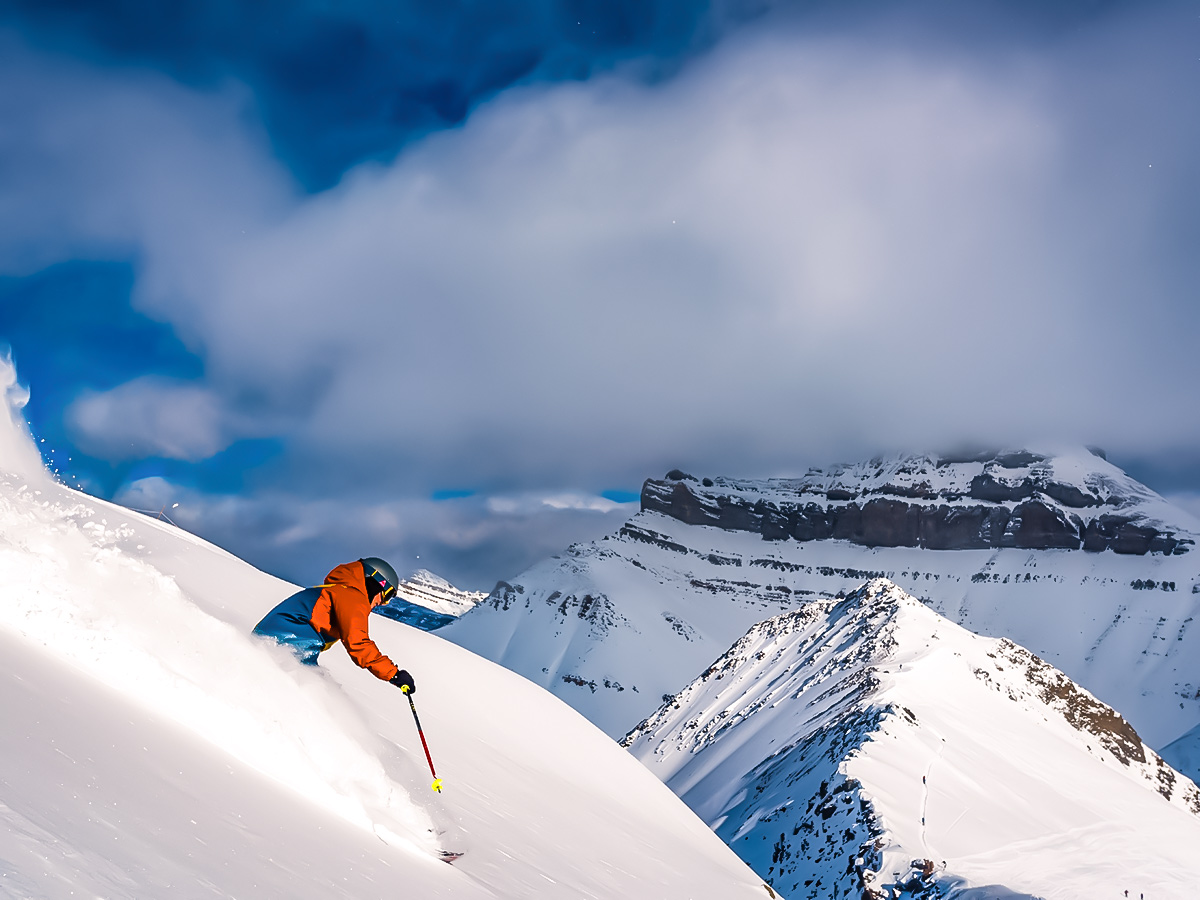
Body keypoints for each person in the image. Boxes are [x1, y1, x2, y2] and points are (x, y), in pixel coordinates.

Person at [252, 557, 416, 693]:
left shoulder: (339, 590)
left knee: (315, 684)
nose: (383, 603)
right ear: (376, 582)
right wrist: (394, 674)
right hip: (291, 637)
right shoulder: (353, 596)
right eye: (386, 595)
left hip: (280, 634)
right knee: (312, 692)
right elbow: (357, 642)